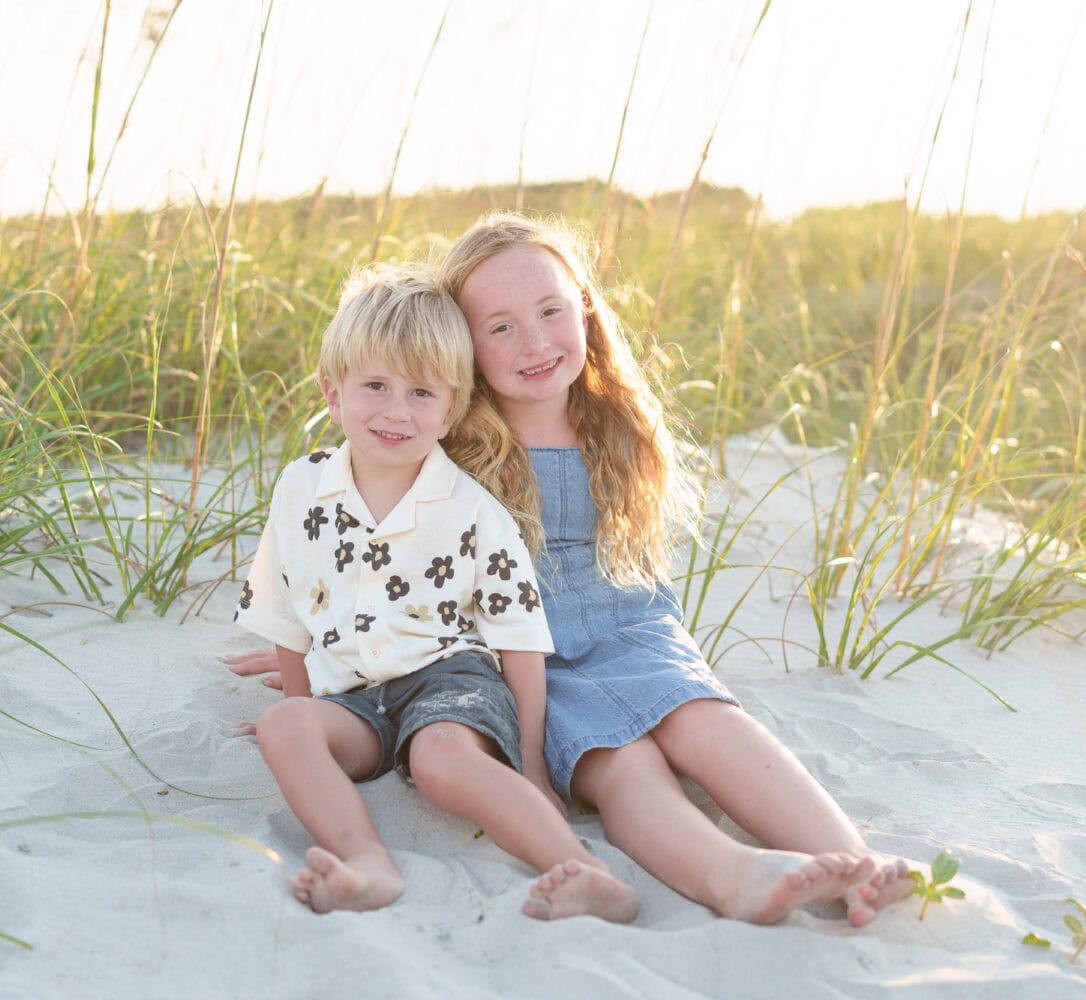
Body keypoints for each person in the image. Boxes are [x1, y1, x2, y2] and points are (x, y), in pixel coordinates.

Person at [230, 215, 911, 926]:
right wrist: (336, 645)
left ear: (583, 307)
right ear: (464, 354)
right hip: (523, 656)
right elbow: (381, 541)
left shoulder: (617, 422)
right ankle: (731, 875)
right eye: (499, 327)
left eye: (551, 311)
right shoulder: (451, 438)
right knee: (623, 764)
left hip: (630, 627)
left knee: (703, 717)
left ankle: (852, 862)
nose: (533, 342)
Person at [232, 264, 639, 923]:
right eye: (375, 386)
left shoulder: (472, 512)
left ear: (450, 409)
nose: (396, 410)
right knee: (282, 725)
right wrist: (305, 715)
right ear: (333, 394)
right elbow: (284, 613)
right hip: (355, 696)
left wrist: (530, 761)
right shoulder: (300, 488)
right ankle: (368, 862)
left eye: (421, 392)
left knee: (441, 758)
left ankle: (585, 870)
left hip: (449, 682)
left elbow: (519, 636)